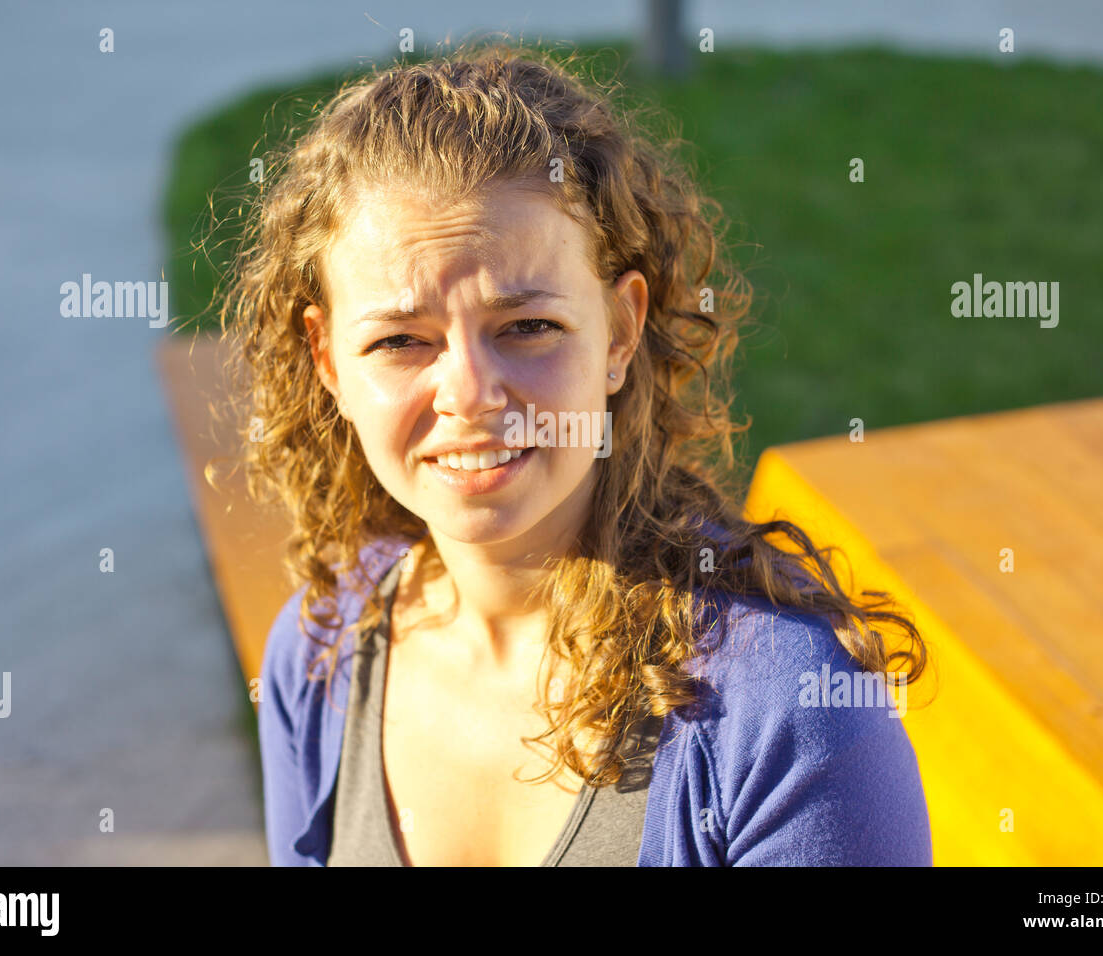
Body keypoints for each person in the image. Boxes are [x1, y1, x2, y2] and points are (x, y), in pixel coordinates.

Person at [219, 42, 932, 866]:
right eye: (400, 340)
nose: (472, 394)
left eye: (527, 327)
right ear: (327, 361)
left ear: (619, 333)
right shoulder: (319, 653)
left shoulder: (788, 719)